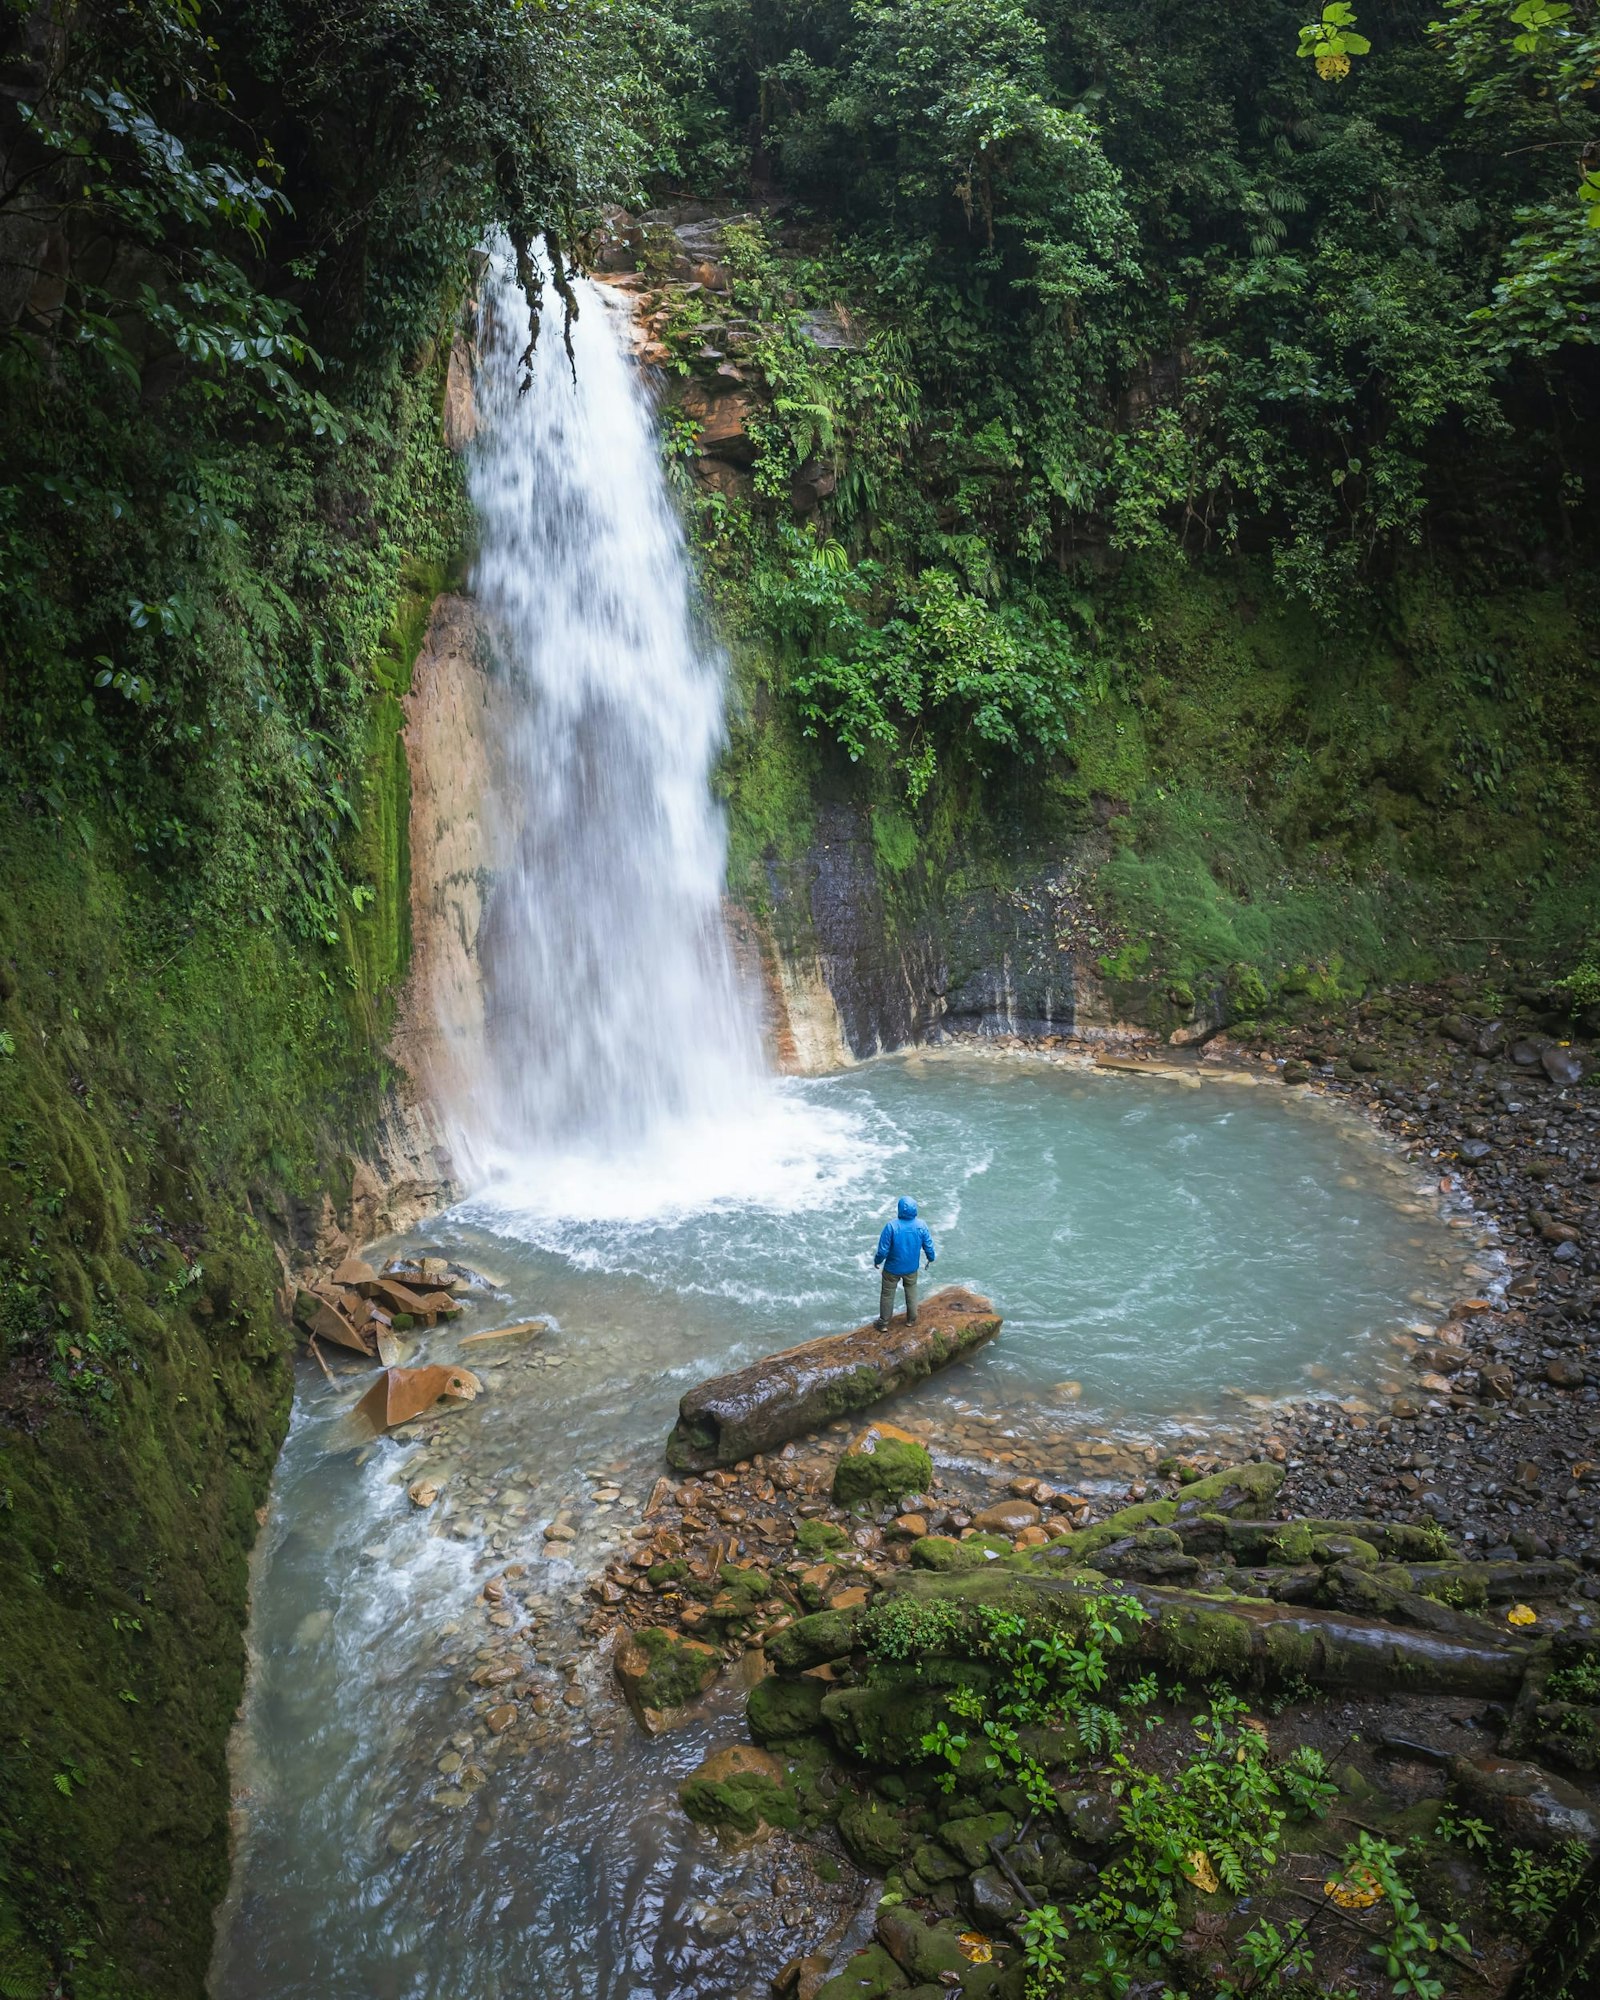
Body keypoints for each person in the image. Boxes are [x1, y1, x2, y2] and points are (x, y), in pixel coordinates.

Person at [873, 1196, 936, 1331]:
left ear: (899, 1210)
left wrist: (877, 1261)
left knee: (887, 1294)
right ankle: (911, 1320)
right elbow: (928, 1246)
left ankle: (883, 1323)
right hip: (911, 1268)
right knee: (911, 1291)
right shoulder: (921, 1225)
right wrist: (931, 1258)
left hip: (892, 1268)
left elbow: (883, 1250)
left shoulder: (891, 1226)